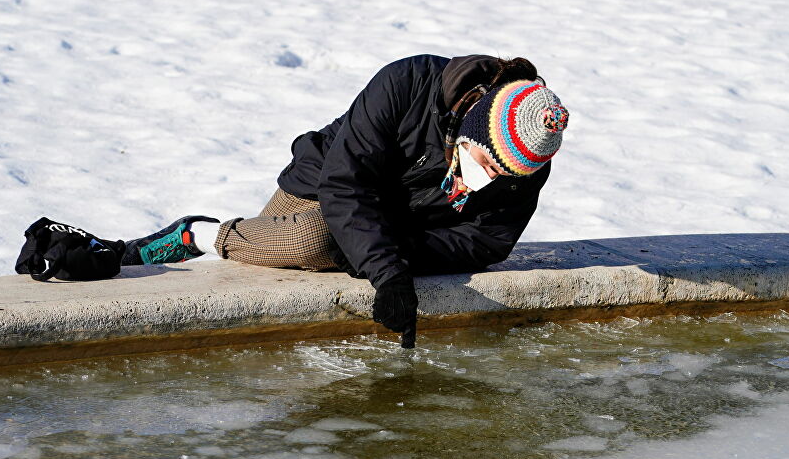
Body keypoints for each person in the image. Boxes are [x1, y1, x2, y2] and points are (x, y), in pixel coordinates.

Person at [122, 54, 568, 348]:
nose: (492, 182)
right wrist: (388, 270)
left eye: (506, 176)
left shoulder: (527, 158)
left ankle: (241, 242)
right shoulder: (407, 83)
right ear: (473, 129)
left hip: (393, 228)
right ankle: (197, 235)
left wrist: (400, 253)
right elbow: (344, 186)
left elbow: (486, 241)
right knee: (317, 240)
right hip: (319, 188)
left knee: (331, 249)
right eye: (489, 166)